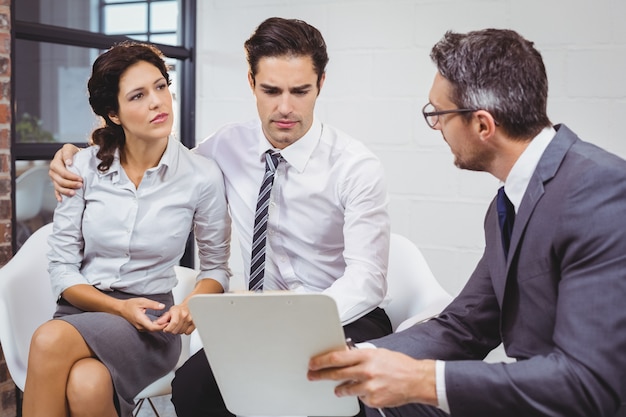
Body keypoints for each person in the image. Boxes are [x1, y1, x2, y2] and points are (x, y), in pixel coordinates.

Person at [48, 17, 393, 417]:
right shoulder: (225, 147)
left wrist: (298, 322)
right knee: (191, 390)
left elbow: (367, 280)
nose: (285, 107)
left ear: (321, 84)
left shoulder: (355, 167)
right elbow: (161, 162)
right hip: (255, 315)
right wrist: (78, 154)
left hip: (339, 314)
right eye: (271, 90)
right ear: (251, 84)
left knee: (320, 396)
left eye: (300, 91)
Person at [308, 28, 626, 417]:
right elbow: (466, 326)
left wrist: (422, 380)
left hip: (577, 405)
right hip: (533, 395)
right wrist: (357, 359)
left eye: (438, 115)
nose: (437, 127)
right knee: (361, 402)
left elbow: (589, 384)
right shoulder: (507, 205)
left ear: (482, 125)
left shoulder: (601, 192)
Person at [24, 41, 231, 417]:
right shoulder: (82, 168)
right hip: (82, 311)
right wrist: (118, 307)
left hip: (151, 324)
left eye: (160, 86)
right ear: (113, 114)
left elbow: (216, 268)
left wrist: (190, 305)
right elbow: (62, 269)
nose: (157, 102)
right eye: (138, 95)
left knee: (48, 339)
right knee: (88, 384)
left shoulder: (202, 176)